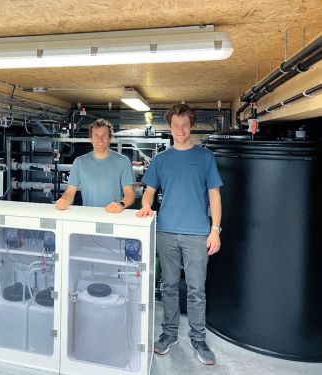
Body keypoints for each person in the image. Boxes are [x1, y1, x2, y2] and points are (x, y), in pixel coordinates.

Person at [136, 104, 222, 365]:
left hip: (198, 233)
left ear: (191, 126)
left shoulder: (206, 157)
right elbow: (149, 190)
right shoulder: (162, 160)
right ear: (170, 127)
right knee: (169, 286)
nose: (180, 129)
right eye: (176, 125)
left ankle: (198, 340)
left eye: (185, 124)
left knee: (197, 289)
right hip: (167, 232)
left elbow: (214, 195)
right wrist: (146, 206)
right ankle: (168, 334)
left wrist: (215, 230)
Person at [55, 118, 135, 212]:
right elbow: (69, 192)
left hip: (114, 216)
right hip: (89, 217)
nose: (100, 139)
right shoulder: (79, 162)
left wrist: (121, 204)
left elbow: (130, 194)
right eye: (96, 135)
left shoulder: (123, 162)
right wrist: (64, 200)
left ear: (110, 138)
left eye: (104, 135)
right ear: (91, 139)